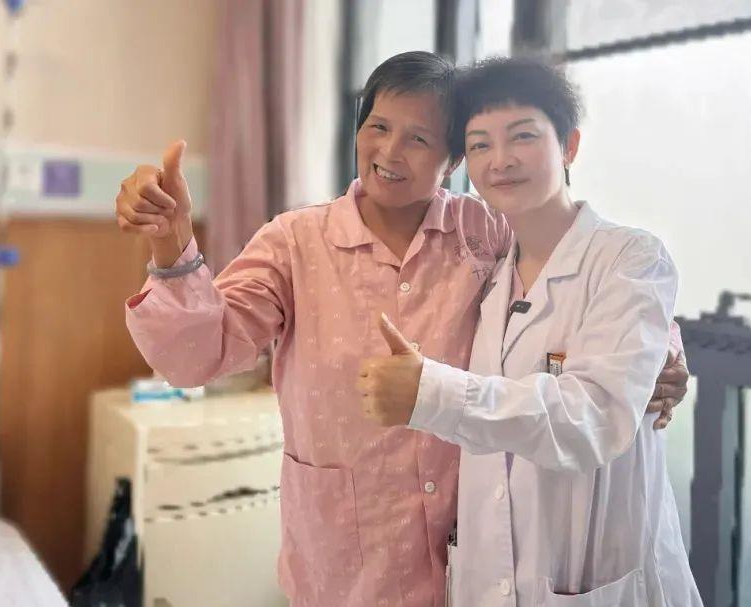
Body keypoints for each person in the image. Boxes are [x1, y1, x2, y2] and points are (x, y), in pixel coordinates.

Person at [115, 51, 689, 606]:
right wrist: (171, 247)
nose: (390, 152)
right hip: (347, 567)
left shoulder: (483, 231)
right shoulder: (295, 242)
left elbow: (573, 275)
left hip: (473, 563)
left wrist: (662, 356)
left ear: (452, 160)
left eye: (418, 139)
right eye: (378, 127)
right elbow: (198, 354)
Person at [361, 57, 702, 606]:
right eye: (479, 144)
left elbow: (594, 414)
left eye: (522, 136)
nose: (500, 160)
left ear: (569, 146)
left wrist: (429, 392)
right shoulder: (489, 273)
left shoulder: (630, 256)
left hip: (596, 575)